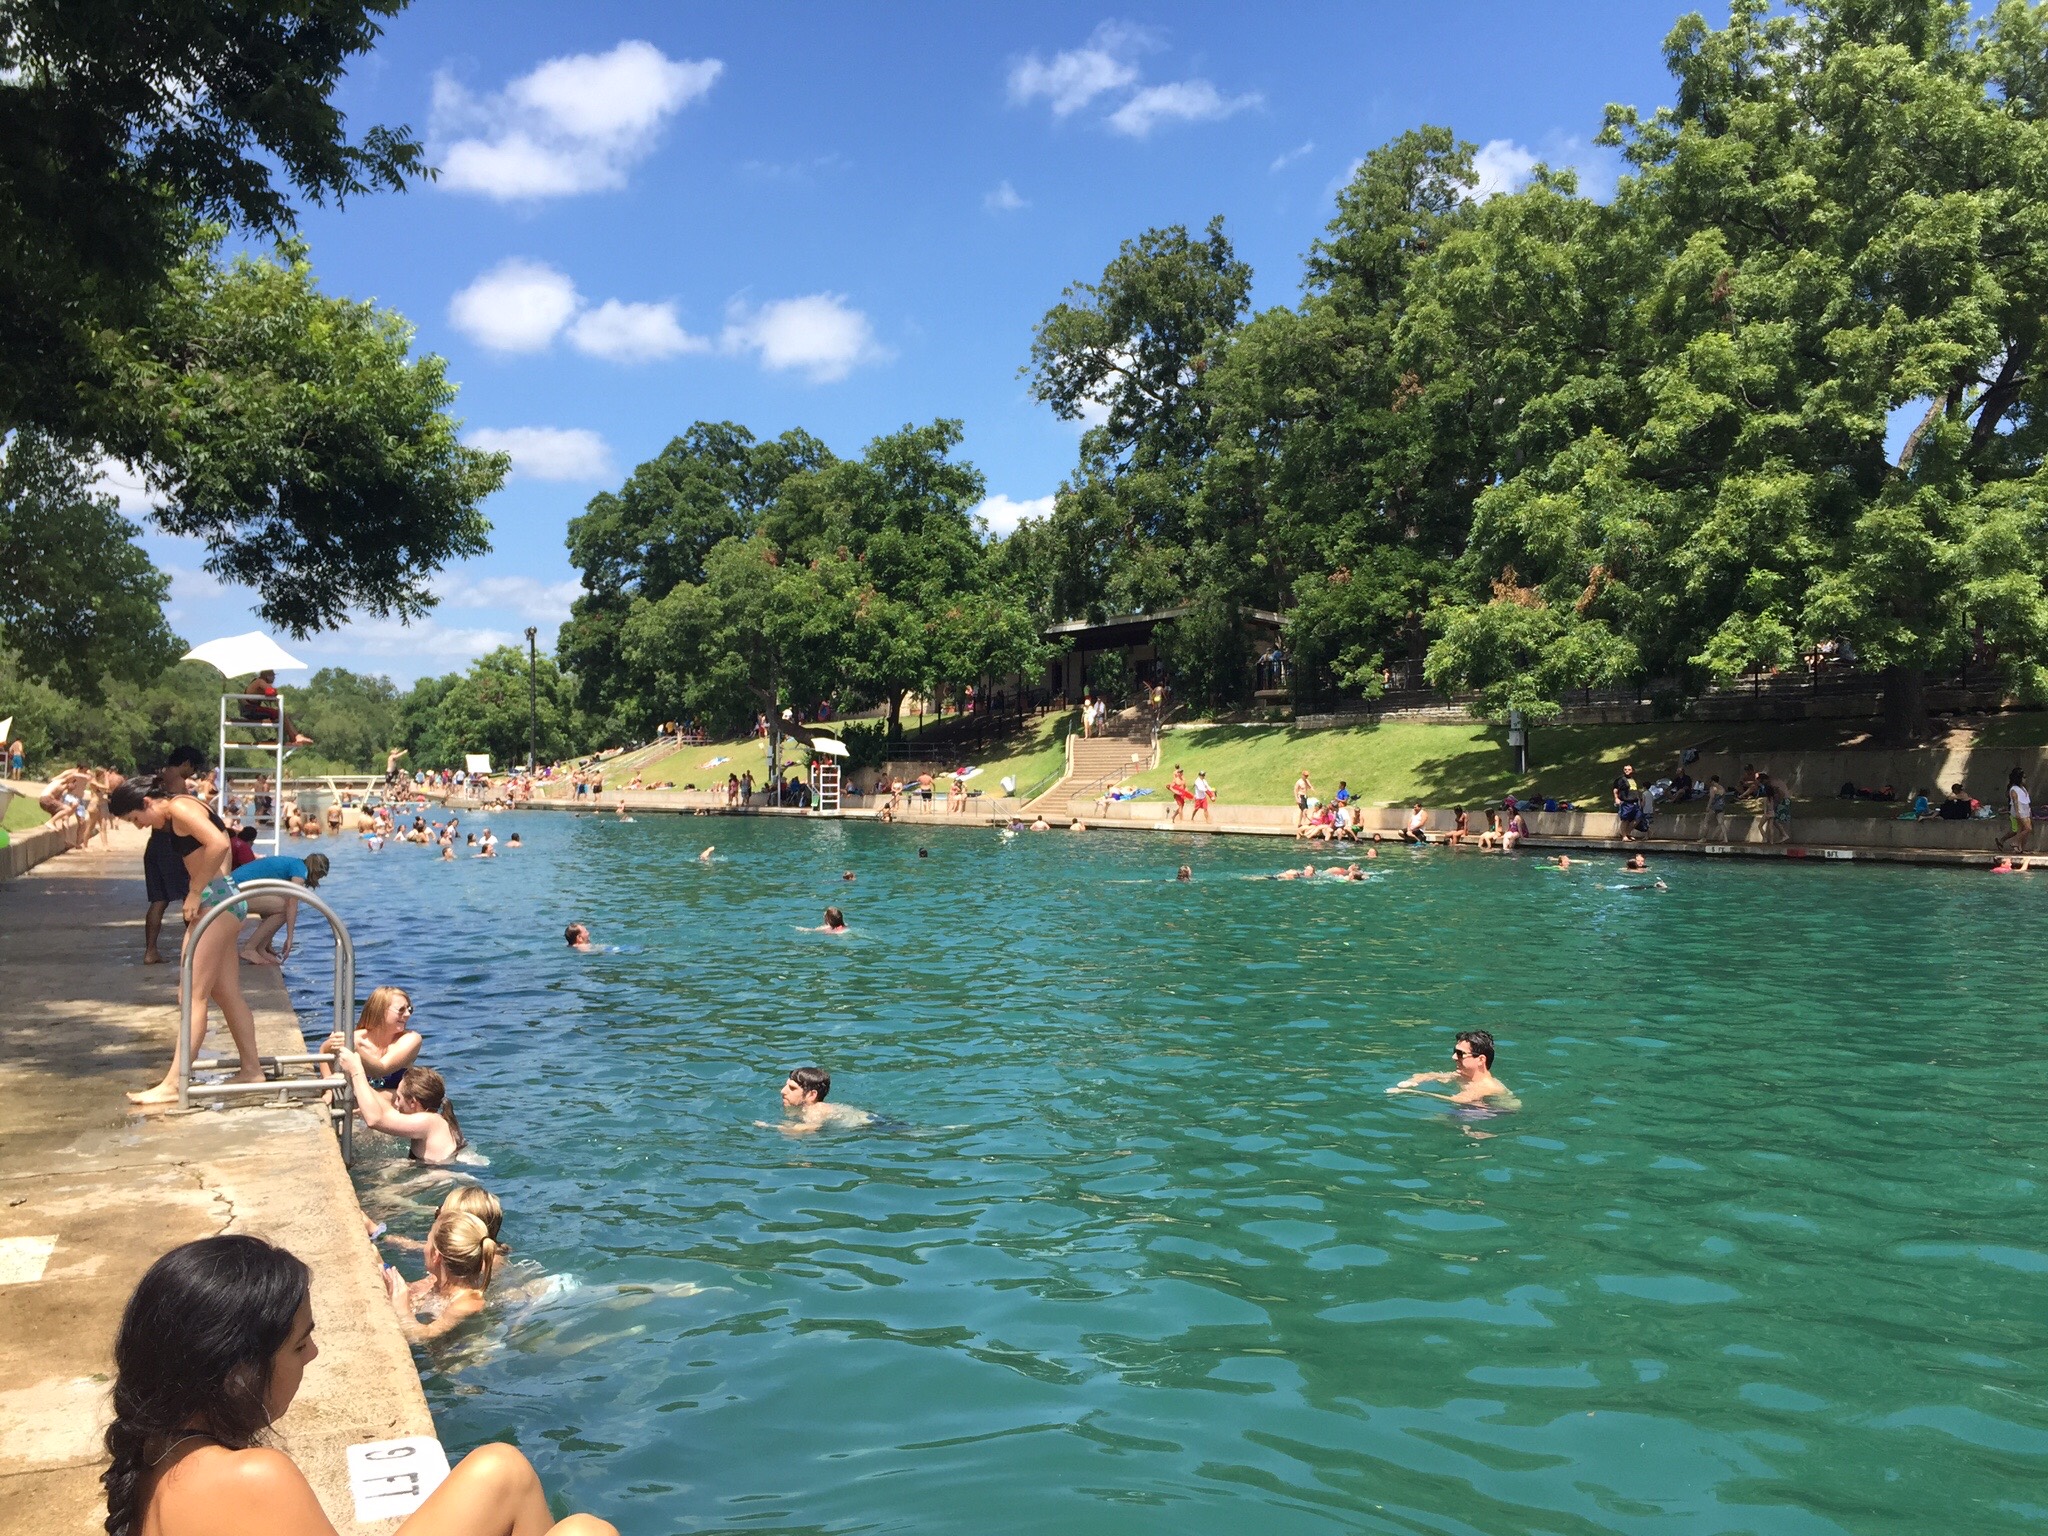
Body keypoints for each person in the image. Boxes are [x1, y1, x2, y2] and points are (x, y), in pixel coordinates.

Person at [101, 1234, 613, 1536]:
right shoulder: (254, 1477)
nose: (315, 1354)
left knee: (501, 1469)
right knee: (586, 1532)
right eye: (300, 1345)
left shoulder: (157, 1447)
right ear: (237, 1374)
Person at [110, 781, 262, 1103]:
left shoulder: (179, 808)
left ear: (148, 802)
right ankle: (252, 1069)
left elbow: (219, 843)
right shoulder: (185, 804)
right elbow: (216, 846)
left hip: (215, 902)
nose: (138, 827)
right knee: (225, 992)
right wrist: (209, 889)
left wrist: (197, 891)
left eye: (135, 819)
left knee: (190, 995)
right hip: (224, 897)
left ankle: (174, 1084)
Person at [384, 1210, 502, 1343]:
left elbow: (423, 1336)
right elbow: (409, 1294)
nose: (424, 1248)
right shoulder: (435, 1281)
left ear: (436, 1256)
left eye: (427, 1242)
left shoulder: (467, 1303)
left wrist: (402, 1312)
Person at [140, 747, 206, 965]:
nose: (192, 773)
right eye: (193, 768)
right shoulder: (177, 783)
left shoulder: (157, 779)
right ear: (185, 763)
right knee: (189, 897)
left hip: (154, 844)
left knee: (158, 900)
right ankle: (196, 950)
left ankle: (150, 951)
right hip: (172, 845)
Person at [336, 1054, 466, 1163]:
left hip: (443, 1175)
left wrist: (356, 1071)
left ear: (413, 1103)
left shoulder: (428, 1122)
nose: (396, 1104)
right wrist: (352, 1083)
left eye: (398, 1098)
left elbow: (374, 1120)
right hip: (433, 1168)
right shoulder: (433, 1118)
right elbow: (386, 1110)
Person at [232, 851, 331, 965]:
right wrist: (290, 938)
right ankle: (249, 949)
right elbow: (292, 904)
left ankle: (262, 948)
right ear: (317, 872)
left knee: (278, 903)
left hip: (234, 889)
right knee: (284, 908)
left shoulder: (295, 864)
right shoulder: (300, 871)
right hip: (234, 892)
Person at [320, 987, 422, 1094]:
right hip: (360, 1104)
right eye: (401, 1010)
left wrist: (355, 1049)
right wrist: (329, 1090)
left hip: (393, 1107)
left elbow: (382, 1069)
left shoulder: (411, 1039)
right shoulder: (356, 1039)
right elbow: (324, 1049)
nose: (407, 1014)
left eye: (409, 1009)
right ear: (380, 1011)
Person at [1387, 1029, 1520, 1109]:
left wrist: (1412, 1093)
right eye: (1454, 1051)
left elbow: (1457, 1100)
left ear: (1481, 1060)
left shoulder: (1485, 1087)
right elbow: (1433, 1075)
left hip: (1495, 1112)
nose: (1454, 1057)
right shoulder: (1463, 1075)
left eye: (1461, 1054)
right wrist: (1414, 1081)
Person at [764, 1066, 871, 1135]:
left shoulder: (816, 1109)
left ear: (811, 1095)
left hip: (877, 1126)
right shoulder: (813, 1108)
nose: (783, 1091)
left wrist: (769, 1127)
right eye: (786, 1086)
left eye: (792, 1088)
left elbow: (810, 1128)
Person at [237, 668, 312, 746]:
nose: (274, 677)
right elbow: (270, 691)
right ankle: (295, 737)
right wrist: (274, 693)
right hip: (250, 710)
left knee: (281, 715)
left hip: (251, 710)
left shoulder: (260, 683)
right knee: (280, 714)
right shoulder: (259, 682)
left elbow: (274, 699)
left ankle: (288, 738)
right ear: (266, 675)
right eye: (272, 675)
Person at [1996, 767, 2032, 853]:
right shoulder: (2014, 789)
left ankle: (2020, 848)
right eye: (2024, 777)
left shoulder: (2023, 788)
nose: (2025, 779)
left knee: (2021, 829)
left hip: (2025, 810)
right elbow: (2016, 802)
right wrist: (2017, 812)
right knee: (2028, 828)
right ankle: (2014, 842)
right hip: (2019, 811)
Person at [1612, 763, 1644, 839]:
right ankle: (1624, 836)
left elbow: (1635, 790)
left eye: (1629, 769)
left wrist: (1640, 799)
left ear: (1632, 770)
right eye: (1625, 769)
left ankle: (1627, 833)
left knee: (1638, 818)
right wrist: (1616, 798)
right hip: (1626, 802)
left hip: (1635, 803)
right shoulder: (1621, 779)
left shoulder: (1633, 779)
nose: (1627, 771)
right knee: (1625, 820)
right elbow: (1616, 789)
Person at [1697, 775, 1728, 843]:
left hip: (1714, 807)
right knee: (1721, 823)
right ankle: (1725, 838)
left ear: (1713, 781)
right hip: (1721, 806)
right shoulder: (1722, 788)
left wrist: (1708, 806)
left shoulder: (1713, 788)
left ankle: (1704, 838)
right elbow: (1723, 796)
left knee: (1706, 821)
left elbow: (1711, 797)